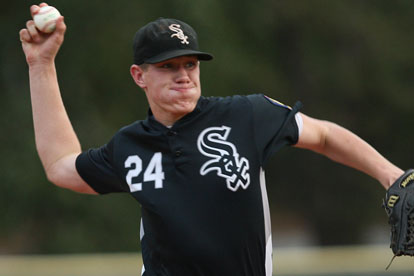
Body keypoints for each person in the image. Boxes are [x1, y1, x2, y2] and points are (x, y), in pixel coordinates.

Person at [20, 3, 404, 276]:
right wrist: (41, 65)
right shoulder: (130, 146)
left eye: (190, 64)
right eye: (168, 66)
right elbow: (61, 167)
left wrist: (391, 175)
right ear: (139, 76)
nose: (183, 75)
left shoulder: (247, 115)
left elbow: (322, 134)